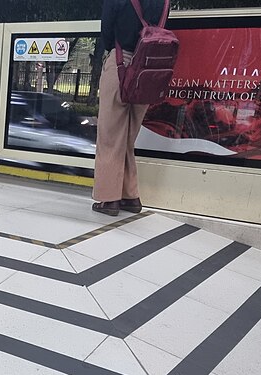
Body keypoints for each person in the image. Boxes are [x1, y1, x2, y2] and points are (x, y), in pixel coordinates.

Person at [92, 0, 169, 216]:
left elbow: (107, 33)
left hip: (121, 62)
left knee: (110, 137)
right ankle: (130, 196)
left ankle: (108, 200)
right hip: (149, 70)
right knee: (127, 138)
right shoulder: (164, 1)